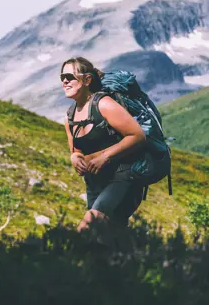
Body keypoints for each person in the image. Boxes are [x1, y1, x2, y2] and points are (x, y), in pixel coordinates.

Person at [61, 56, 148, 245]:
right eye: (62, 77)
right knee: (107, 240)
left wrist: (105, 157)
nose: (65, 81)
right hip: (94, 184)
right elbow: (76, 150)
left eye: (69, 76)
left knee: (87, 227)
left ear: (87, 80)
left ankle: (63, 263)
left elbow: (137, 136)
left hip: (122, 179)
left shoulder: (104, 104)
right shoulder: (70, 117)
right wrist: (75, 158)